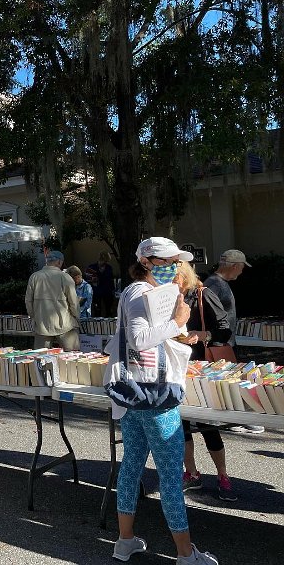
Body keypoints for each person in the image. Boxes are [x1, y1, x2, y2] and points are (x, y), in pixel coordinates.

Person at [104, 237, 218, 565]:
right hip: (155, 397)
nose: (173, 268)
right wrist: (178, 322)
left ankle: (125, 542)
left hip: (134, 394)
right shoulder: (141, 292)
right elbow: (139, 340)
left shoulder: (138, 291)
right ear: (147, 262)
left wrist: (174, 328)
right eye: (166, 262)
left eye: (175, 262)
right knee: (170, 477)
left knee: (131, 468)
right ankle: (185, 553)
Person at [172, 262, 236, 501]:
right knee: (183, 426)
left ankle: (223, 475)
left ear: (184, 276)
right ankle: (192, 473)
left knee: (208, 427)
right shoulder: (166, 297)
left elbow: (224, 329)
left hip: (202, 369)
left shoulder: (202, 293)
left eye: (175, 276)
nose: (170, 281)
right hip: (178, 369)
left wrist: (202, 335)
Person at [203, 249, 261, 434]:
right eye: (242, 267)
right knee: (229, 381)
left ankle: (231, 419)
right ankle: (234, 419)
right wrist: (218, 340)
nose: (242, 271)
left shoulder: (217, 283)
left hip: (223, 342)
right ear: (235, 266)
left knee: (229, 381)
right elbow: (209, 316)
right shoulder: (214, 284)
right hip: (220, 344)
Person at [25, 250, 80, 351]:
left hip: (42, 324)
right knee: (72, 358)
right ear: (59, 262)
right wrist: (76, 316)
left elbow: (28, 301)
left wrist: (34, 316)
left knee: (41, 360)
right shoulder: (65, 277)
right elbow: (73, 302)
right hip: (65, 323)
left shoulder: (35, 277)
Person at [86, 251, 116, 316]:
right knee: (97, 311)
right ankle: (97, 325)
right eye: (104, 261)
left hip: (107, 292)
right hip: (96, 292)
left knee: (109, 311)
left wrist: (113, 290)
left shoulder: (109, 268)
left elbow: (111, 280)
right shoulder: (91, 267)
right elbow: (89, 281)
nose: (105, 262)